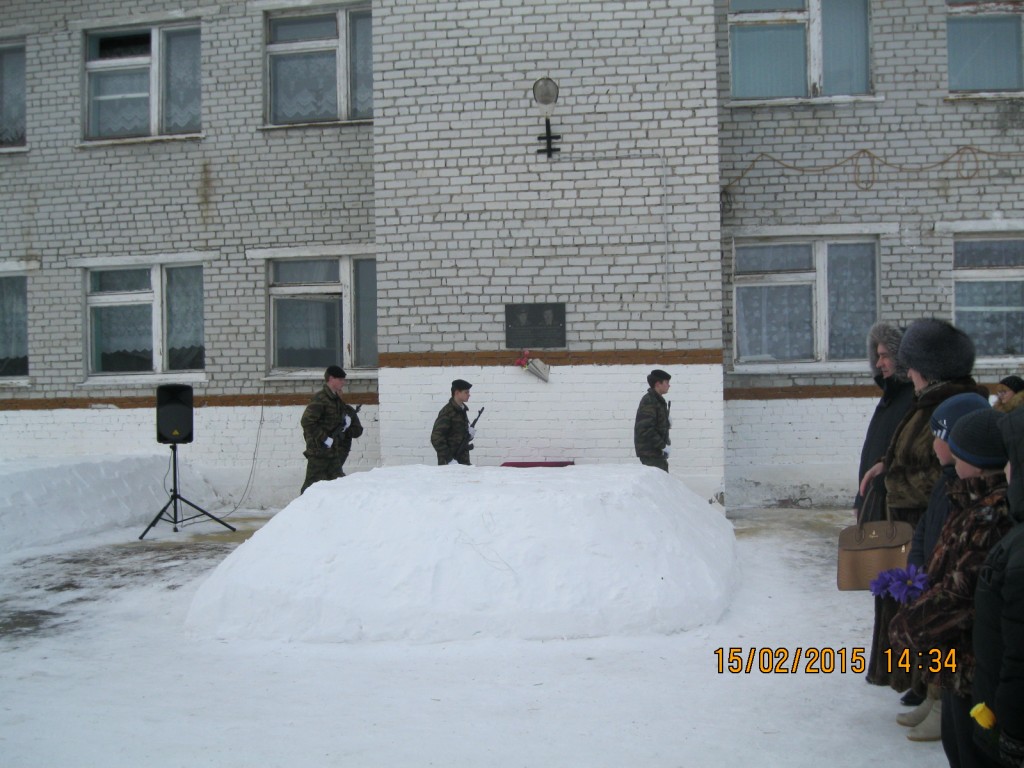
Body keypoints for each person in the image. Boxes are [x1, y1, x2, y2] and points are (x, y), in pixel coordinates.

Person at [860, 318, 987, 687]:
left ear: (929, 368)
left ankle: (930, 690)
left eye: (911, 364)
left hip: (934, 530)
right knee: (907, 608)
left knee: (932, 612)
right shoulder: (924, 401)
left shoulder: (952, 407)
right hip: (910, 529)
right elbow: (908, 455)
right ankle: (915, 684)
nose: (907, 371)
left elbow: (947, 475)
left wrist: (893, 483)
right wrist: (885, 464)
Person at [890, 407, 1012, 767]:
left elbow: (962, 595)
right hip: (956, 665)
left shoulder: (991, 517)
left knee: (972, 752)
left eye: (958, 451)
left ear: (978, 461)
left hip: (976, 668)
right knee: (956, 745)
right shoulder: (967, 499)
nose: (949, 455)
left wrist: (907, 624)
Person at [971, 406, 1024, 768]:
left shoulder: (1020, 555)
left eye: (1010, 460)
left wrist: (1014, 735)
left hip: (1007, 723)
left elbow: (1019, 659)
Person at [855, 322, 915, 517]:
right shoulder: (890, 398)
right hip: (874, 500)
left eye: (885, 356)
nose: (879, 364)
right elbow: (873, 451)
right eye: (877, 356)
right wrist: (860, 499)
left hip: (892, 509)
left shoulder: (913, 399)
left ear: (902, 358)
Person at [299, 366, 363, 494]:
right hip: (319, 451)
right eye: (340, 379)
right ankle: (301, 506)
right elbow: (307, 421)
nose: (343, 382)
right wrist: (325, 439)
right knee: (311, 486)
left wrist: (345, 425)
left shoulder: (336, 400)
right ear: (331, 379)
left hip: (333, 452)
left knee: (337, 483)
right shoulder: (321, 398)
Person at [634, 369, 672, 472]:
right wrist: (663, 446)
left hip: (656, 453)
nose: (669, 385)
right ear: (658, 384)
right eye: (666, 382)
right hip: (650, 453)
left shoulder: (658, 400)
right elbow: (646, 429)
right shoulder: (649, 401)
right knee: (659, 480)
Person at [431, 379, 475, 465]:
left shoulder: (461, 410)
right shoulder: (447, 412)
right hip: (449, 464)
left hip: (463, 461)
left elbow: (457, 435)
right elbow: (436, 437)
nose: (469, 395)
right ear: (457, 393)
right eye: (466, 392)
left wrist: (469, 435)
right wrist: (449, 459)